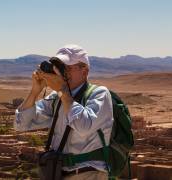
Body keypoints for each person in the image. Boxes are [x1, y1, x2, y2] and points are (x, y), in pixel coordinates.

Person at [14, 44, 114, 180]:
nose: (62, 73)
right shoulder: (57, 98)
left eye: (67, 68)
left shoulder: (99, 94)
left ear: (84, 71)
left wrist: (62, 90)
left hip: (88, 173)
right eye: (59, 67)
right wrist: (35, 91)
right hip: (57, 172)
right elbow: (21, 125)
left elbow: (84, 126)